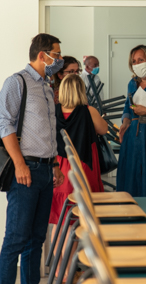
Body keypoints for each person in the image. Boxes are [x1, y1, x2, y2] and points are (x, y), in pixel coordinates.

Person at [0, 33, 65, 284]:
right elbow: (4, 125)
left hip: (47, 172)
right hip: (26, 171)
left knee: (36, 240)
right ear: (43, 55)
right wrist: (19, 164)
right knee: (15, 240)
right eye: (56, 55)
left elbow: (48, 130)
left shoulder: (46, 86)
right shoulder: (17, 82)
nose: (58, 60)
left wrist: (56, 164)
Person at [50, 74, 107, 281]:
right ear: (81, 91)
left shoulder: (53, 111)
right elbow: (104, 129)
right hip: (82, 170)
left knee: (60, 222)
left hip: (59, 169)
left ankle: (61, 271)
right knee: (77, 223)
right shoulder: (88, 111)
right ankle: (74, 269)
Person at [116, 45, 146, 197]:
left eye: (140, 60)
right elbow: (127, 108)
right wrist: (124, 124)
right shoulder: (132, 83)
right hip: (132, 136)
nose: (136, 64)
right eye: (134, 61)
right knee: (130, 175)